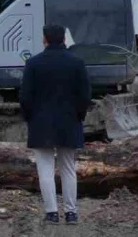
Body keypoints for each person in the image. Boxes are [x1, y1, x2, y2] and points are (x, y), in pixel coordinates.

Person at [21, 23, 91, 225]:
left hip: (41, 123)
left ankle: (51, 212)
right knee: (68, 168)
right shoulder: (77, 63)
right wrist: (79, 115)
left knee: (45, 169)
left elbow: (25, 97)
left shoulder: (33, 64)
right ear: (63, 39)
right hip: (69, 122)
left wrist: (30, 118)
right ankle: (71, 213)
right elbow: (85, 95)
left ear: (44, 39)